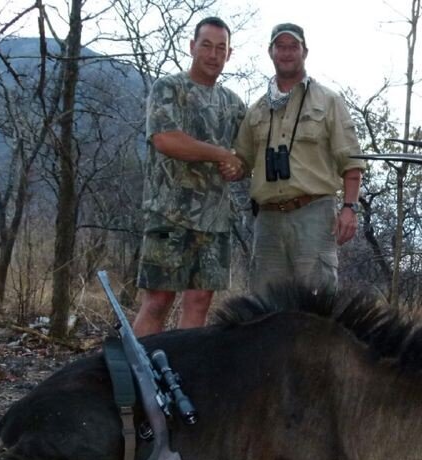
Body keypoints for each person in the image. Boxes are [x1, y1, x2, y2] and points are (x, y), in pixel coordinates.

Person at [133, 16, 246, 336]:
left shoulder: (234, 104)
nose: (213, 54)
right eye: (206, 45)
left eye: (220, 48)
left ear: (229, 54)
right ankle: (136, 377)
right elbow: (165, 139)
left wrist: (238, 166)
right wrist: (222, 154)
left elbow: (244, 158)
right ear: (192, 46)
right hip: (168, 215)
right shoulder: (169, 88)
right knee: (158, 300)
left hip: (215, 221)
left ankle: (179, 376)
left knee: (199, 301)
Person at [234, 22, 364, 295]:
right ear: (271, 52)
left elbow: (350, 159)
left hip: (313, 215)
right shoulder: (256, 109)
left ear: (305, 52)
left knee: (316, 307)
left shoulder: (328, 101)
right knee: (264, 308)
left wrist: (349, 208)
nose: (287, 52)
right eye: (280, 46)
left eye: (293, 46)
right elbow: (241, 162)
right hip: (267, 219)